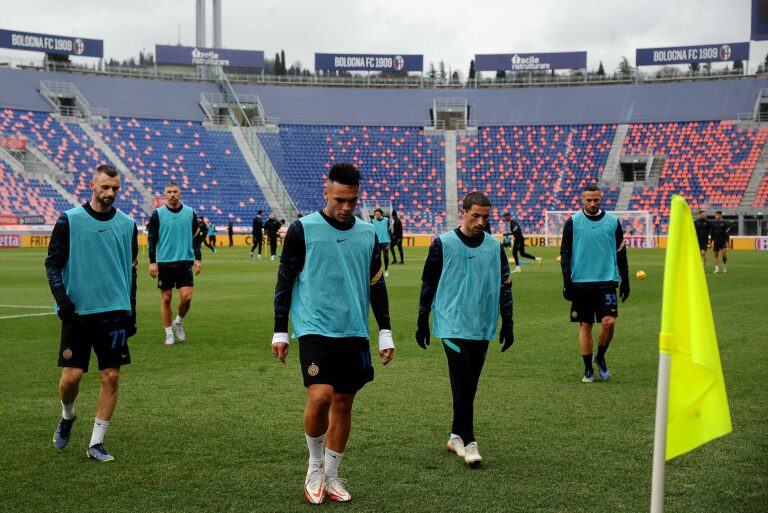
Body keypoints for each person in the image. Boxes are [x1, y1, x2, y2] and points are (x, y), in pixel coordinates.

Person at [271, 162, 395, 504]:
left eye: (352, 201)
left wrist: (385, 330)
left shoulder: (368, 233)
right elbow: (285, 280)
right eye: (339, 199)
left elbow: (376, 284)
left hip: (353, 329)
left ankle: (332, 475)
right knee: (321, 396)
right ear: (326, 192)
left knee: (344, 402)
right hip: (314, 328)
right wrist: (280, 331)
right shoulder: (302, 229)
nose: (345, 206)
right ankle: (315, 465)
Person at [45, 164, 138, 462]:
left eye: (115, 188)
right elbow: (52, 263)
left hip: (115, 313)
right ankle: (67, 415)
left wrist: (132, 311)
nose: (110, 193)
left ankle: (96, 443)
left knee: (111, 376)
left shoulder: (128, 224)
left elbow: (131, 272)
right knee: (71, 378)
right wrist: (62, 299)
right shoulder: (69, 220)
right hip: (78, 313)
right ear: (92, 185)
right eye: (105, 187)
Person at [415, 192, 514, 467]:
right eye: (475, 216)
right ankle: (469, 441)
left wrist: (508, 320)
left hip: (482, 324)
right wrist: (422, 318)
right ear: (464, 213)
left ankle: (455, 436)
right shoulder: (443, 243)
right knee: (462, 380)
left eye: (485, 217)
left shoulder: (495, 246)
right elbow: (428, 284)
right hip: (452, 323)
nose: (481, 221)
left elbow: (505, 285)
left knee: (469, 385)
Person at [560, 184, 629, 383]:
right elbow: (565, 253)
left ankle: (600, 356)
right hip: (580, 283)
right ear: (582, 200)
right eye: (588, 200)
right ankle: (588, 368)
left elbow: (621, 251)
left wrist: (625, 279)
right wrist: (567, 281)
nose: (592, 203)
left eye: (595, 200)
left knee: (609, 322)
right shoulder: (573, 222)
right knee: (586, 325)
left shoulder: (613, 222)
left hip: (607, 280)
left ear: (601, 198)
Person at [147, 182, 202, 346]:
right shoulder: (158, 214)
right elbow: (152, 239)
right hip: (165, 262)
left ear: (180, 193)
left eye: (175, 191)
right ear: (165, 195)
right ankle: (169, 333)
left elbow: (196, 237)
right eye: (169, 192)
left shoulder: (190, 212)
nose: (172, 194)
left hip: (185, 261)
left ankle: (178, 322)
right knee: (166, 298)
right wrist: (152, 262)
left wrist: (198, 258)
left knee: (187, 297)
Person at [372, 208, 391, 277]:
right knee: (377, 258)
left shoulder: (386, 220)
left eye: (378, 214)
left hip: (385, 241)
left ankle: (386, 269)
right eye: (375, 214)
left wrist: (390, 239)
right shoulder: (372, 221)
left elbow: (389, 230)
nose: (376, 215)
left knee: (386, 256)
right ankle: (379, 271)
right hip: (377, 242)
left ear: (381, 214)